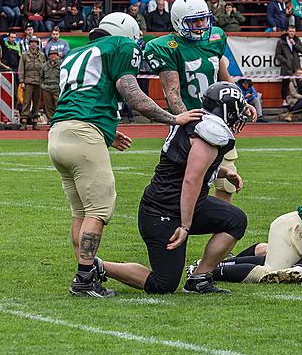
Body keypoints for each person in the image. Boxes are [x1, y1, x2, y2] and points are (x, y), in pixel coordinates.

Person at [48, 12, 202, 298]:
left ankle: (87, 272)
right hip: (84, 135)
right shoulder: (121, 45)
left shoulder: (76, 53)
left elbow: (82, 96)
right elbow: (132, 93)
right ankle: (84, 280)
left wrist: (107, 130)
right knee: (98, 211)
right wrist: (172, 118)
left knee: (80, 212)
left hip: (59, 132)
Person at [101, 83, 250, 295]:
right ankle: (97, 266)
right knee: (163, 285)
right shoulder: (210, 131)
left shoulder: (197, 121)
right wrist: (186, 225)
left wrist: (224, 172)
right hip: (163, 211)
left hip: (179, 203)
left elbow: (184, 165)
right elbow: (191, 178)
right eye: (237, 109)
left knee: (235, 220)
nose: (239, 115)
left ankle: (200, 278)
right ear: (226, 109)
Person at [144, 0, 251, 204]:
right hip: (191, 121)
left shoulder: (215, 38)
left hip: (220, 122)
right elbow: (172, 92)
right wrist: (187, 122)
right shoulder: (166, 46)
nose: (201, 25)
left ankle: (221, 226)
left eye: (203, 19)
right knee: (186, 180)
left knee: (226, 182)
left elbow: (225, 80)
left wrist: (243, 103)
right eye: (194, 21)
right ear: (178, 21)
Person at [18, 36, 46, 130]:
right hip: (28, 81)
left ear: (37, 44)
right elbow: (21, 69)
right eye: (32, 42)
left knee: (37, 103)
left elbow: (44, 69)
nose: (33, 44)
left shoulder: (41, 55)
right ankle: (24, 121)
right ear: (29, 44)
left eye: (35, 42)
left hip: (38, 82)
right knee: (26, 102)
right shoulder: (25, 55)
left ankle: (35, 122)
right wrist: (22, 81)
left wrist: (44, 81)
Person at [40, 49, 62, 122]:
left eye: (55, 54)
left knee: (58, 105)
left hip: (56, 88)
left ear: (57, 56)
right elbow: (41, 77)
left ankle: (58, 120)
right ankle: (51, 121)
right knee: (48, 106)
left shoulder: (61, 65)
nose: (53, 56)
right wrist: (42, 85)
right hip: (46, 88)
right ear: (48, 56)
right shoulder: (44, 66)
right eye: (51, 54)